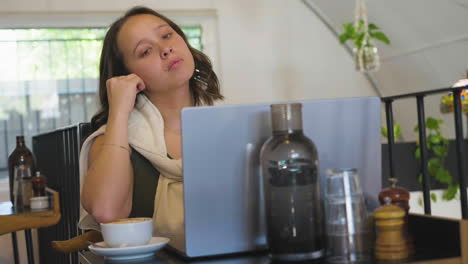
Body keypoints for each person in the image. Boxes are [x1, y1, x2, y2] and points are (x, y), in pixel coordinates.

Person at [79, 6, 224, 240]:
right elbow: (106, 211)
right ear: (126, 74)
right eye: (145, 51)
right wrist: (118, 112)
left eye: (167, 35)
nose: (165, 49)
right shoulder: (112, 141)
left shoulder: (229, 128)